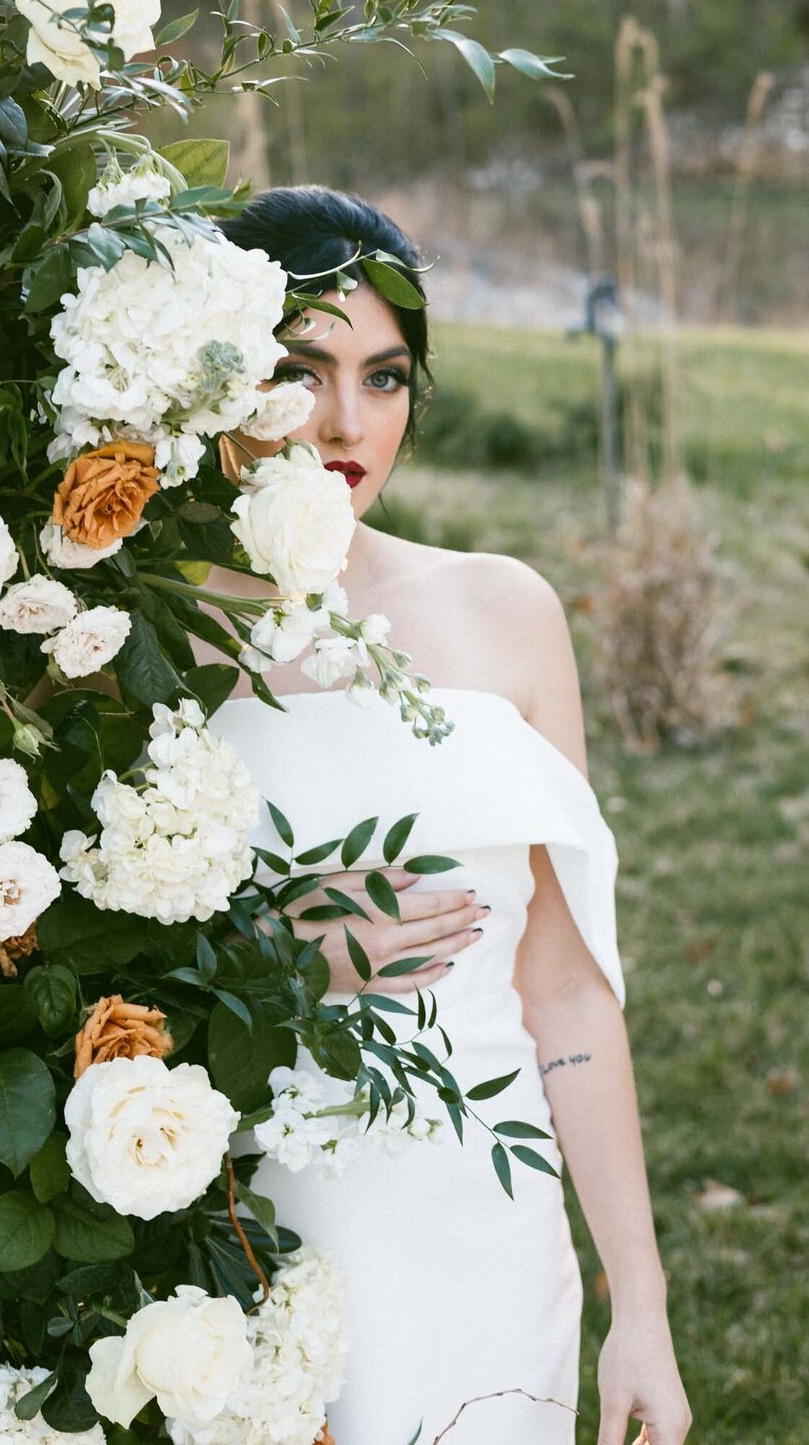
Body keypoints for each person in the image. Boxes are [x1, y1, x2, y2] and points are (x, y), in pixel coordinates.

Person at [194, 186, 692, 1445]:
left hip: (486, 1228)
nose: (345, 423)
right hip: (239, 1229)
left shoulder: (506, 613)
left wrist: (640, 1305)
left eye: (387, 376)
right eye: (300, 372)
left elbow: (567, 990)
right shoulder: (132, 640)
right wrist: (260, 966)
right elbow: (43, 981)